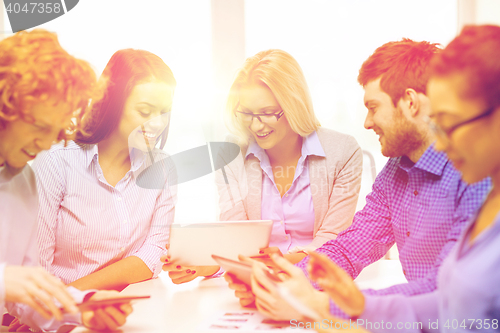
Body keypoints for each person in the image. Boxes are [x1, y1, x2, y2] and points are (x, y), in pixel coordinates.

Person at [258, 24, 500, 333]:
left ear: (410, 102)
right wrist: (286, 284)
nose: (367, 122)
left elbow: (445, 292)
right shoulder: (395, 171)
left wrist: (328, 306)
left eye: (373, 107)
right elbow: (352, 245)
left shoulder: (476, 173)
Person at [162, 49, 363, 284]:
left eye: (267, 113)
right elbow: (235, 236)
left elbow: (333, 239)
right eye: (246, 113)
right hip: (254, 281)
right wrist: (204, 265)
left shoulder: (344, 152)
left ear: (294, 105)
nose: (256, 126)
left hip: (320, 281)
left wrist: (282, 262)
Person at [0, 29, 132, 331]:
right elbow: (9, 280)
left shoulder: (25, 183)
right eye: (39, 126)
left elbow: (26, 289)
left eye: (57, 131)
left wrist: (80, 309)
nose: (47, 144)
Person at [33, 48, 177, 292]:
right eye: (145, 111)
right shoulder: (56, 160)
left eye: (163, 112)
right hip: (61, 321)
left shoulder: (162, 167)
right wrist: (61, 306)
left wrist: (68, 296)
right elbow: (36, 263)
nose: (158, 123)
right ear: (113, 104)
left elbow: (154, 252)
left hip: (130, 309)